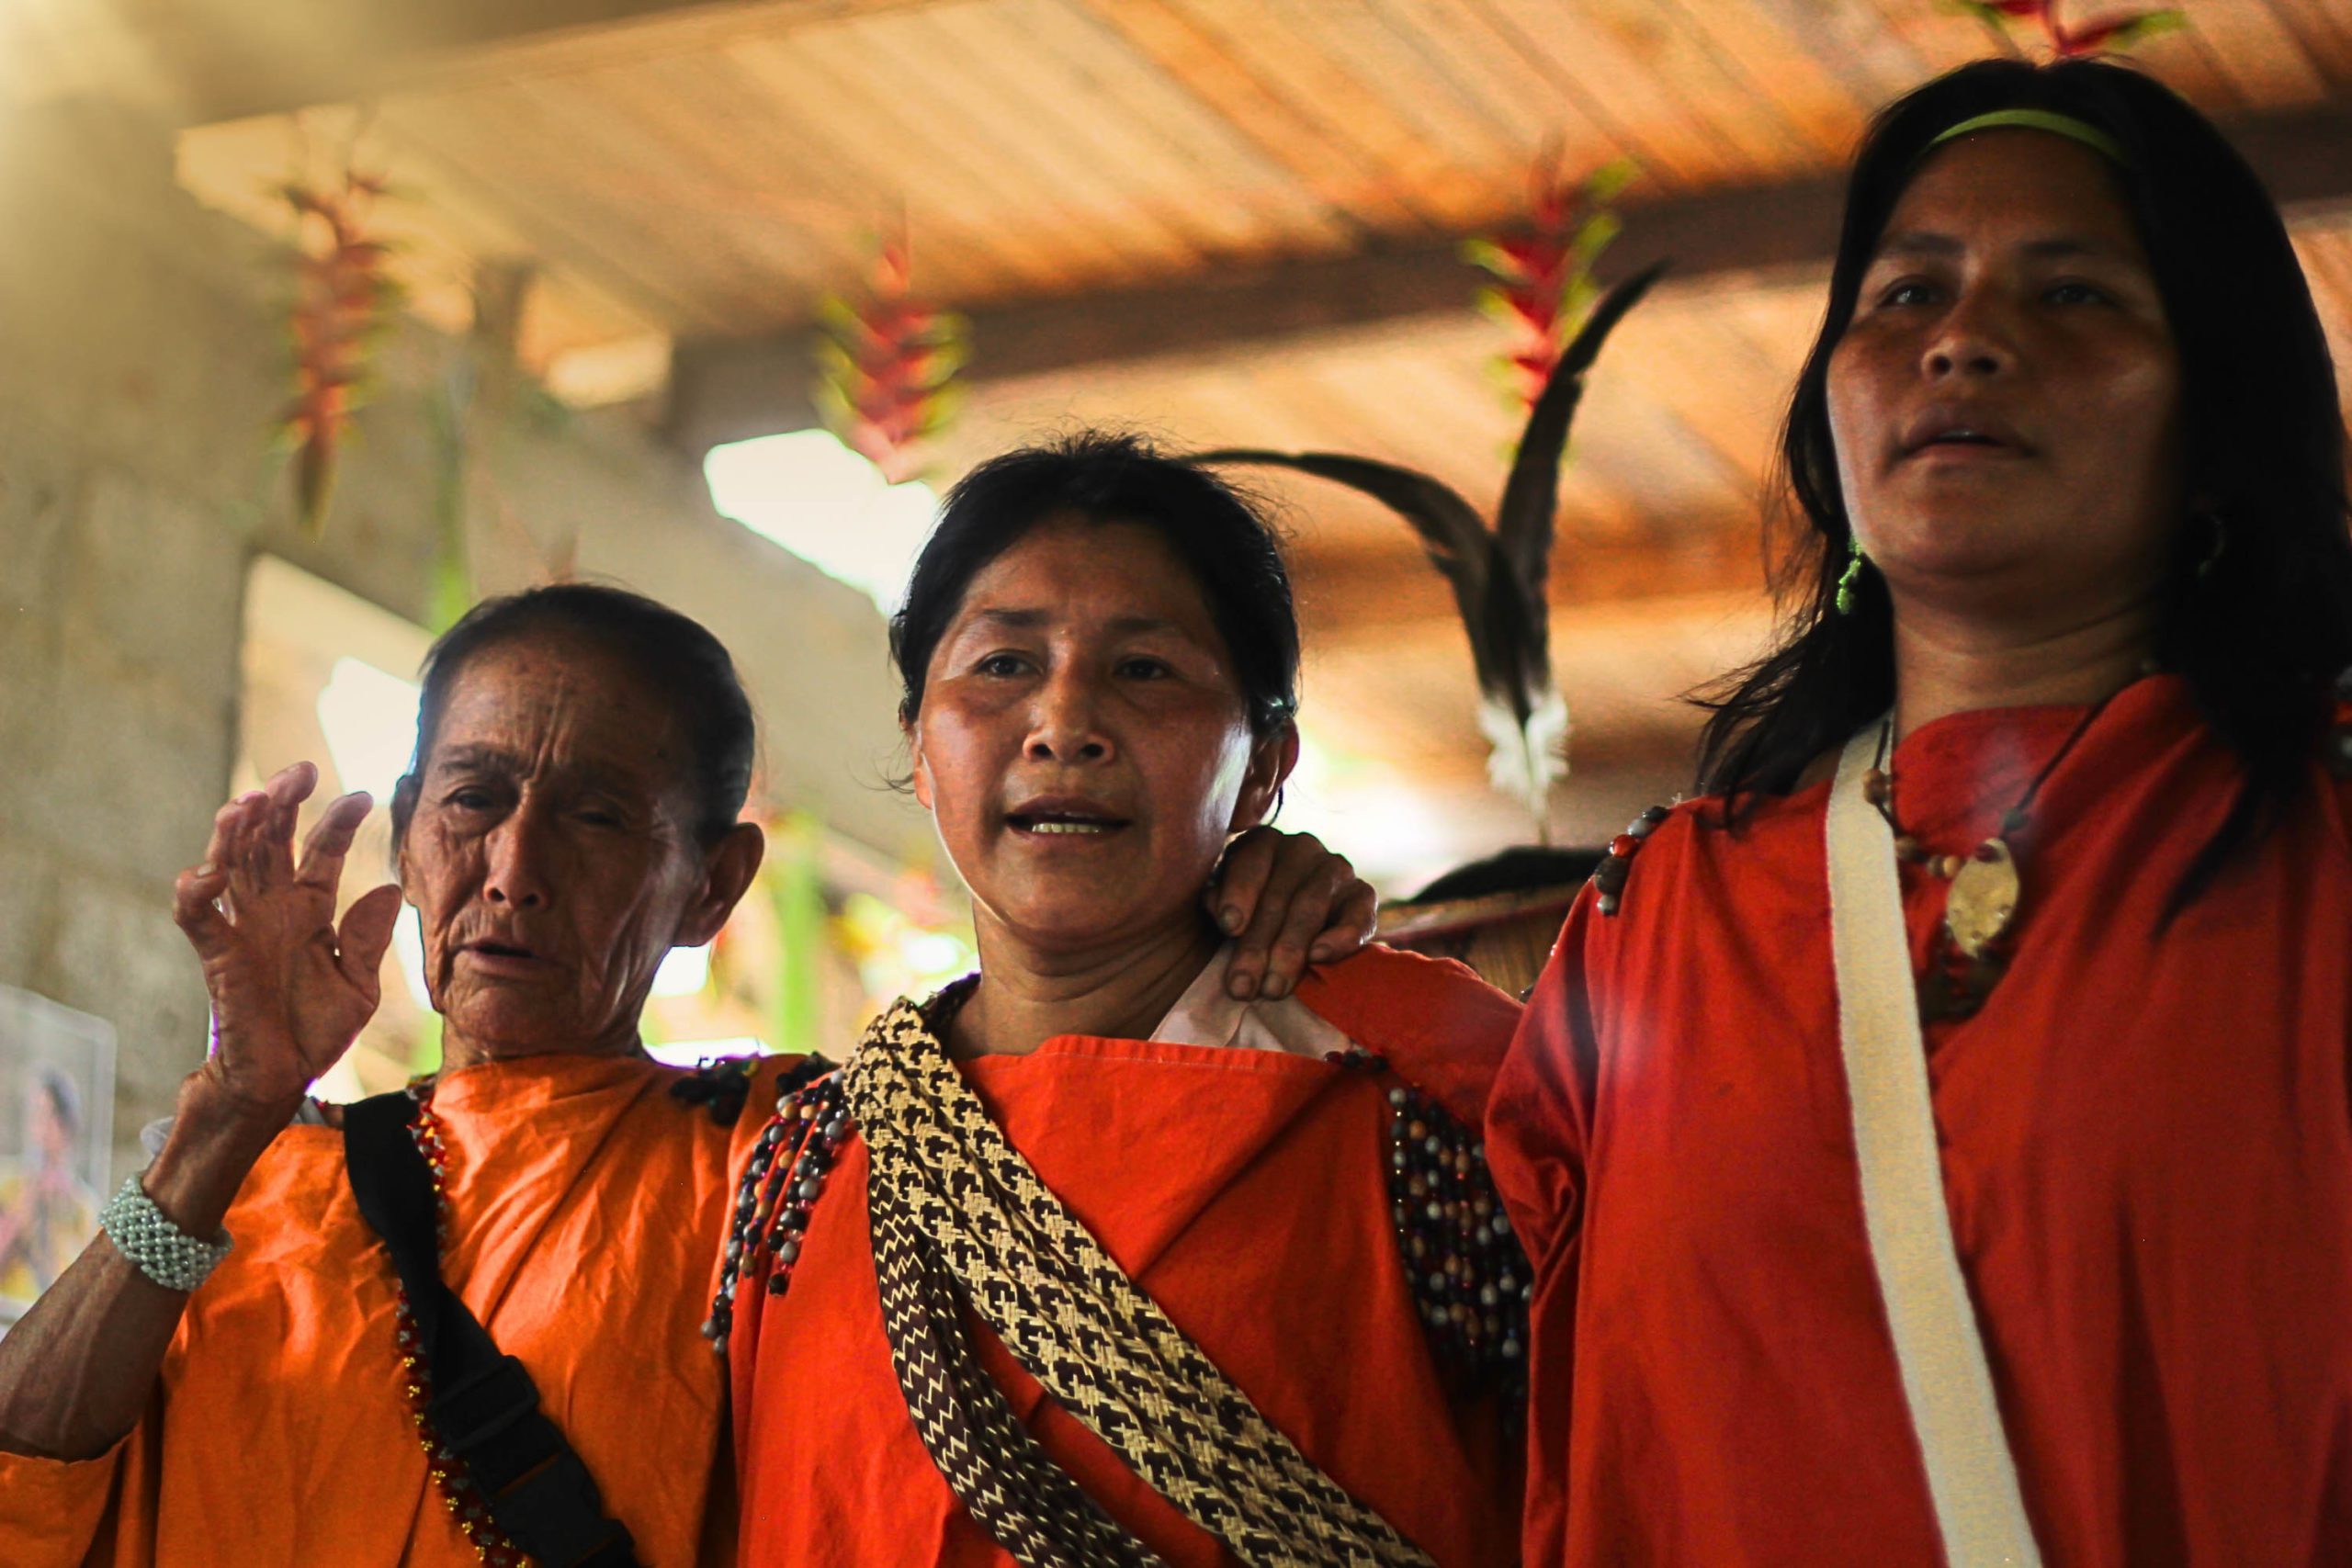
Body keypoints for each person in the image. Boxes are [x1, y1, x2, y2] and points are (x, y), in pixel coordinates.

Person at [0, 582, 1371, 1567]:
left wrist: (1223, 892)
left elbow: (1090, 1109)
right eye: (472, 798)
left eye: (598, 815)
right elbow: (26, 1473)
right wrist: (223, 1120)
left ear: (712, 884)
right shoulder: (255, 1186)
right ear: (410, 832)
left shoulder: (789, 1161)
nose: (515, 868)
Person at [1487, 57, 2352, 1566]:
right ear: (1830, 420)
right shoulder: (1660, 922)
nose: (1962, 341)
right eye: (1902, 297)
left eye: (2073, 294)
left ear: (2216, 427)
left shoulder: (2323, 855)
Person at [717, 434, 1530, 1566]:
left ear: (1264, 764)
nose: (1063, 723)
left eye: (1144, 669)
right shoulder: (800, 1164)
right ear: (917, 739)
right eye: (1001, 665)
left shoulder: (1429, 1122)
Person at [0, 1070, 101, 1304]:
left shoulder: (83, 1205)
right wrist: (26, 1205)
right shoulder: (9, 1184)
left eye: (53, 1117)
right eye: (39, 1115)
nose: (44, 1128)